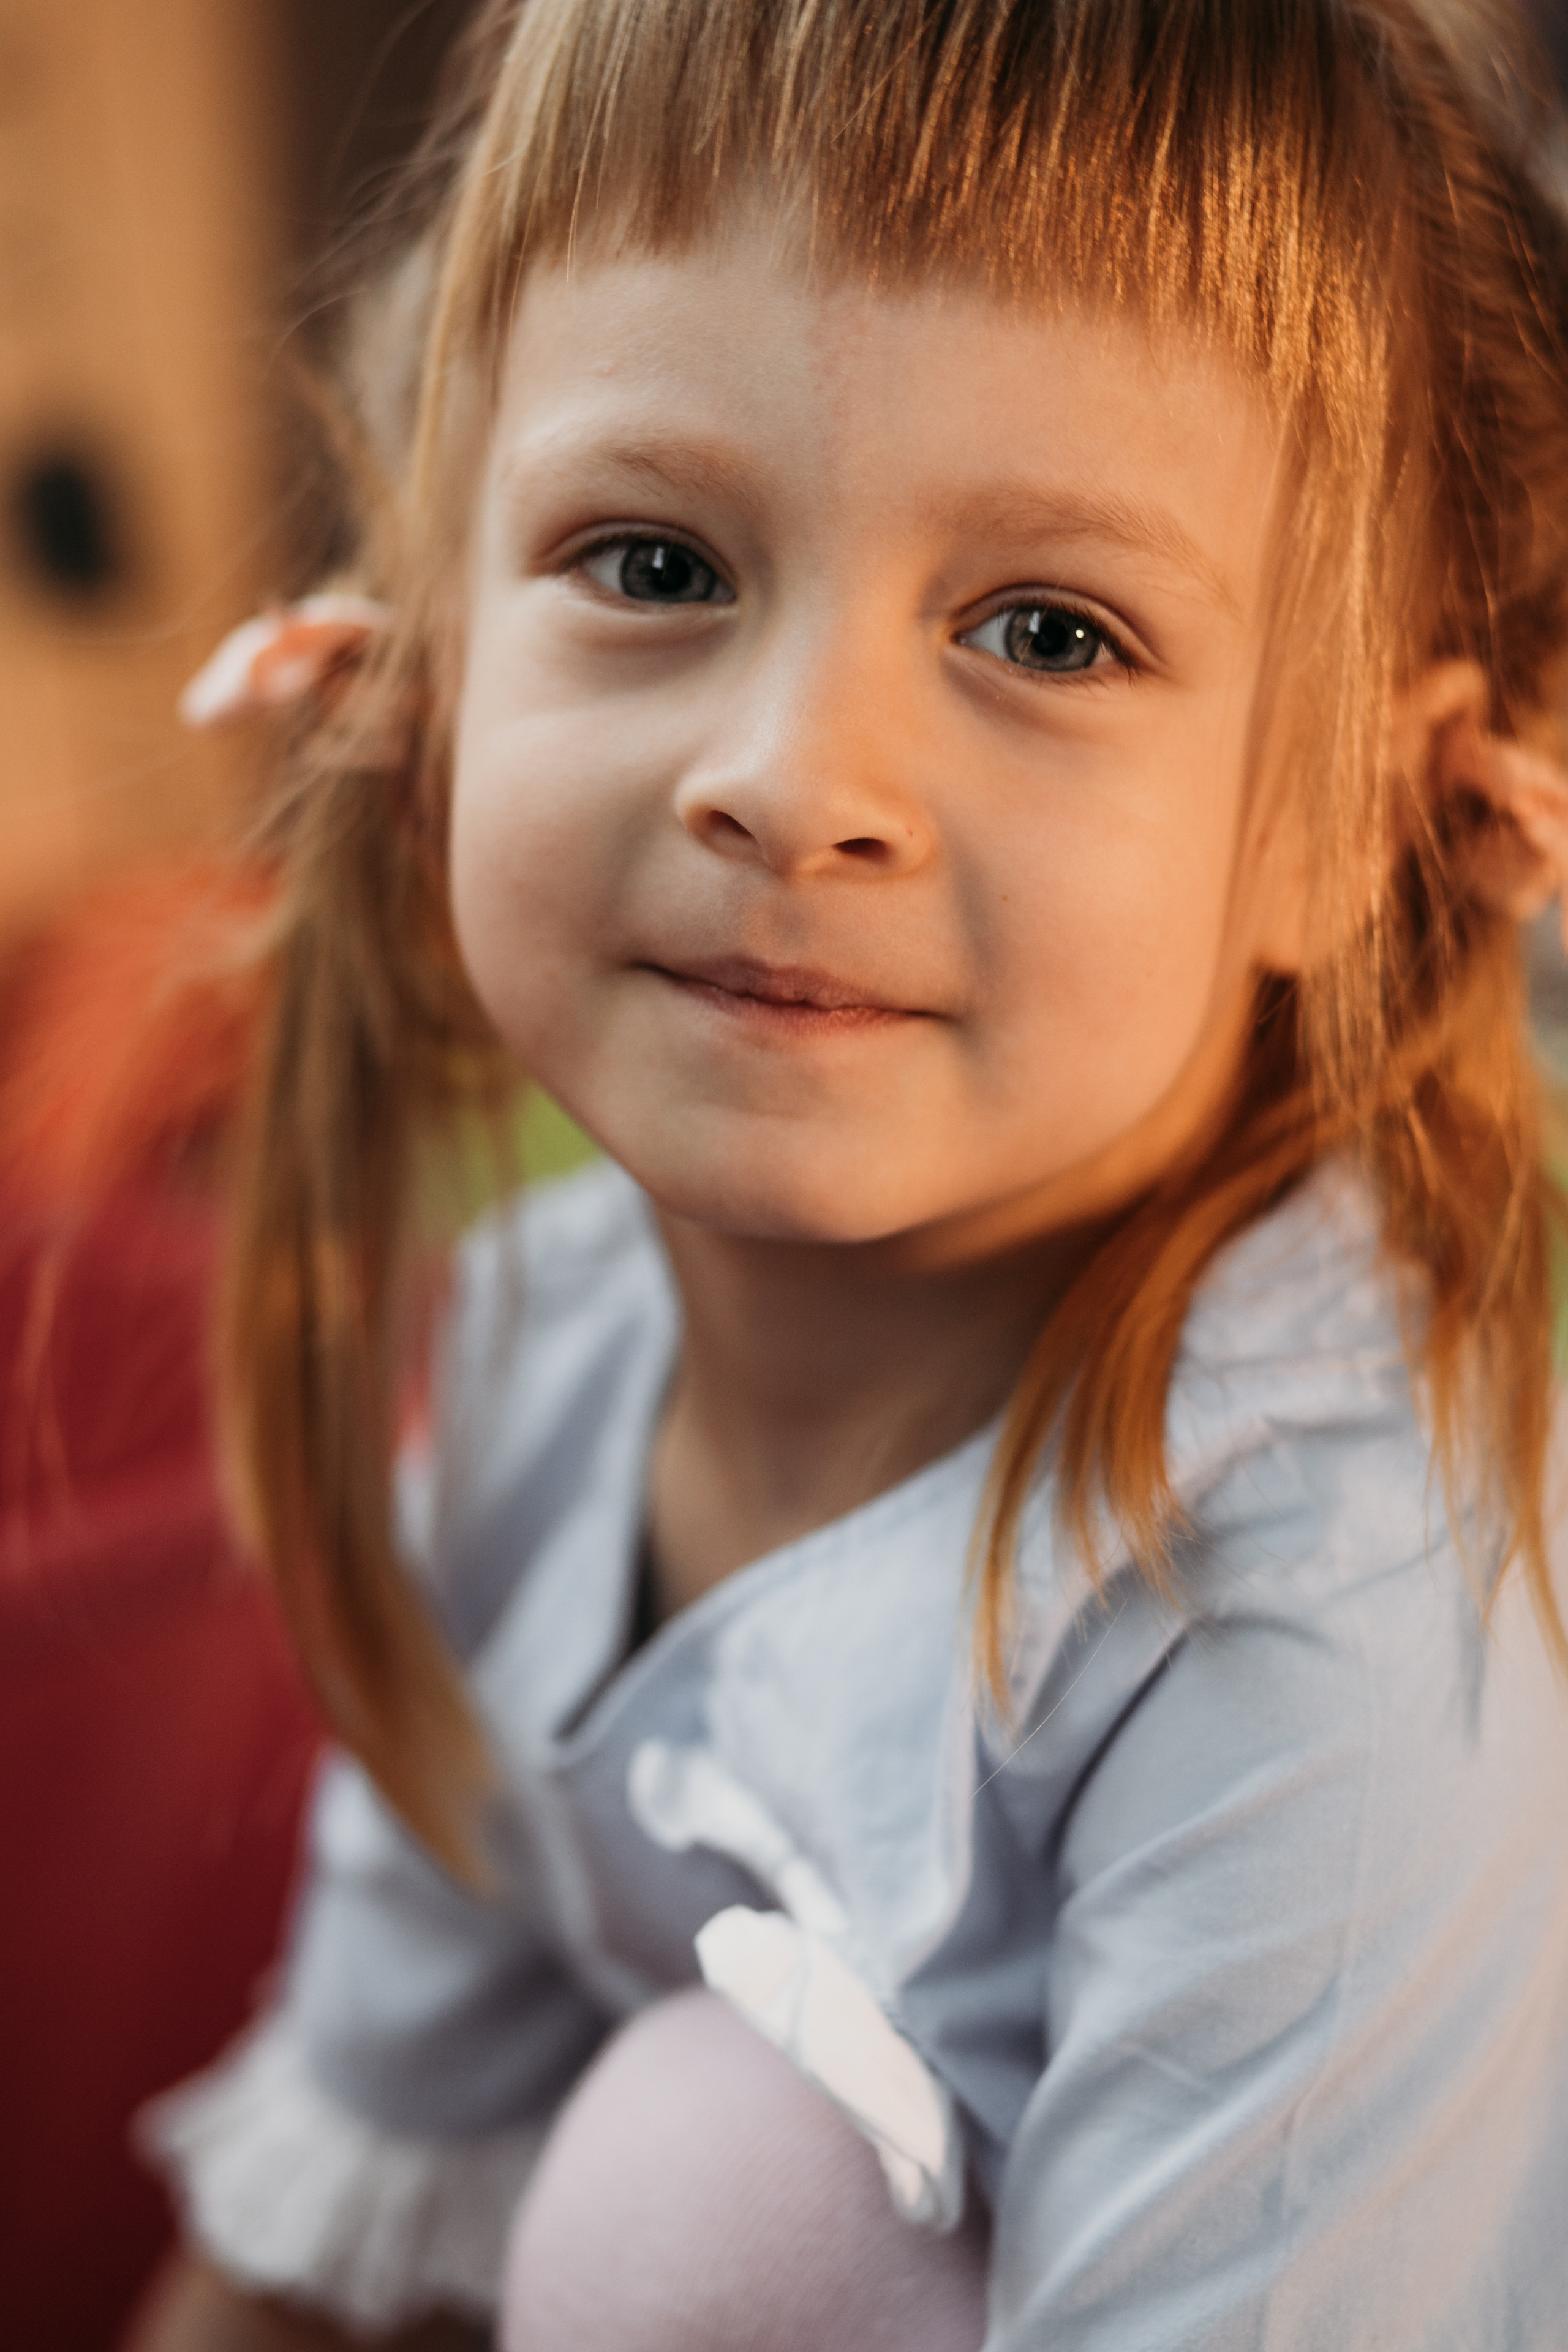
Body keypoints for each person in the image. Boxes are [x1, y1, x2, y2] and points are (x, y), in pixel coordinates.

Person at [129, 1, 1568, 2345]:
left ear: (1348, 822)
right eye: (654, 561)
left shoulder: (1321, 1613)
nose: (799, 781)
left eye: (1049, 632)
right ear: (433, 669)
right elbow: (310, 2246)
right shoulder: (543, 1347)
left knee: (707, 2194)